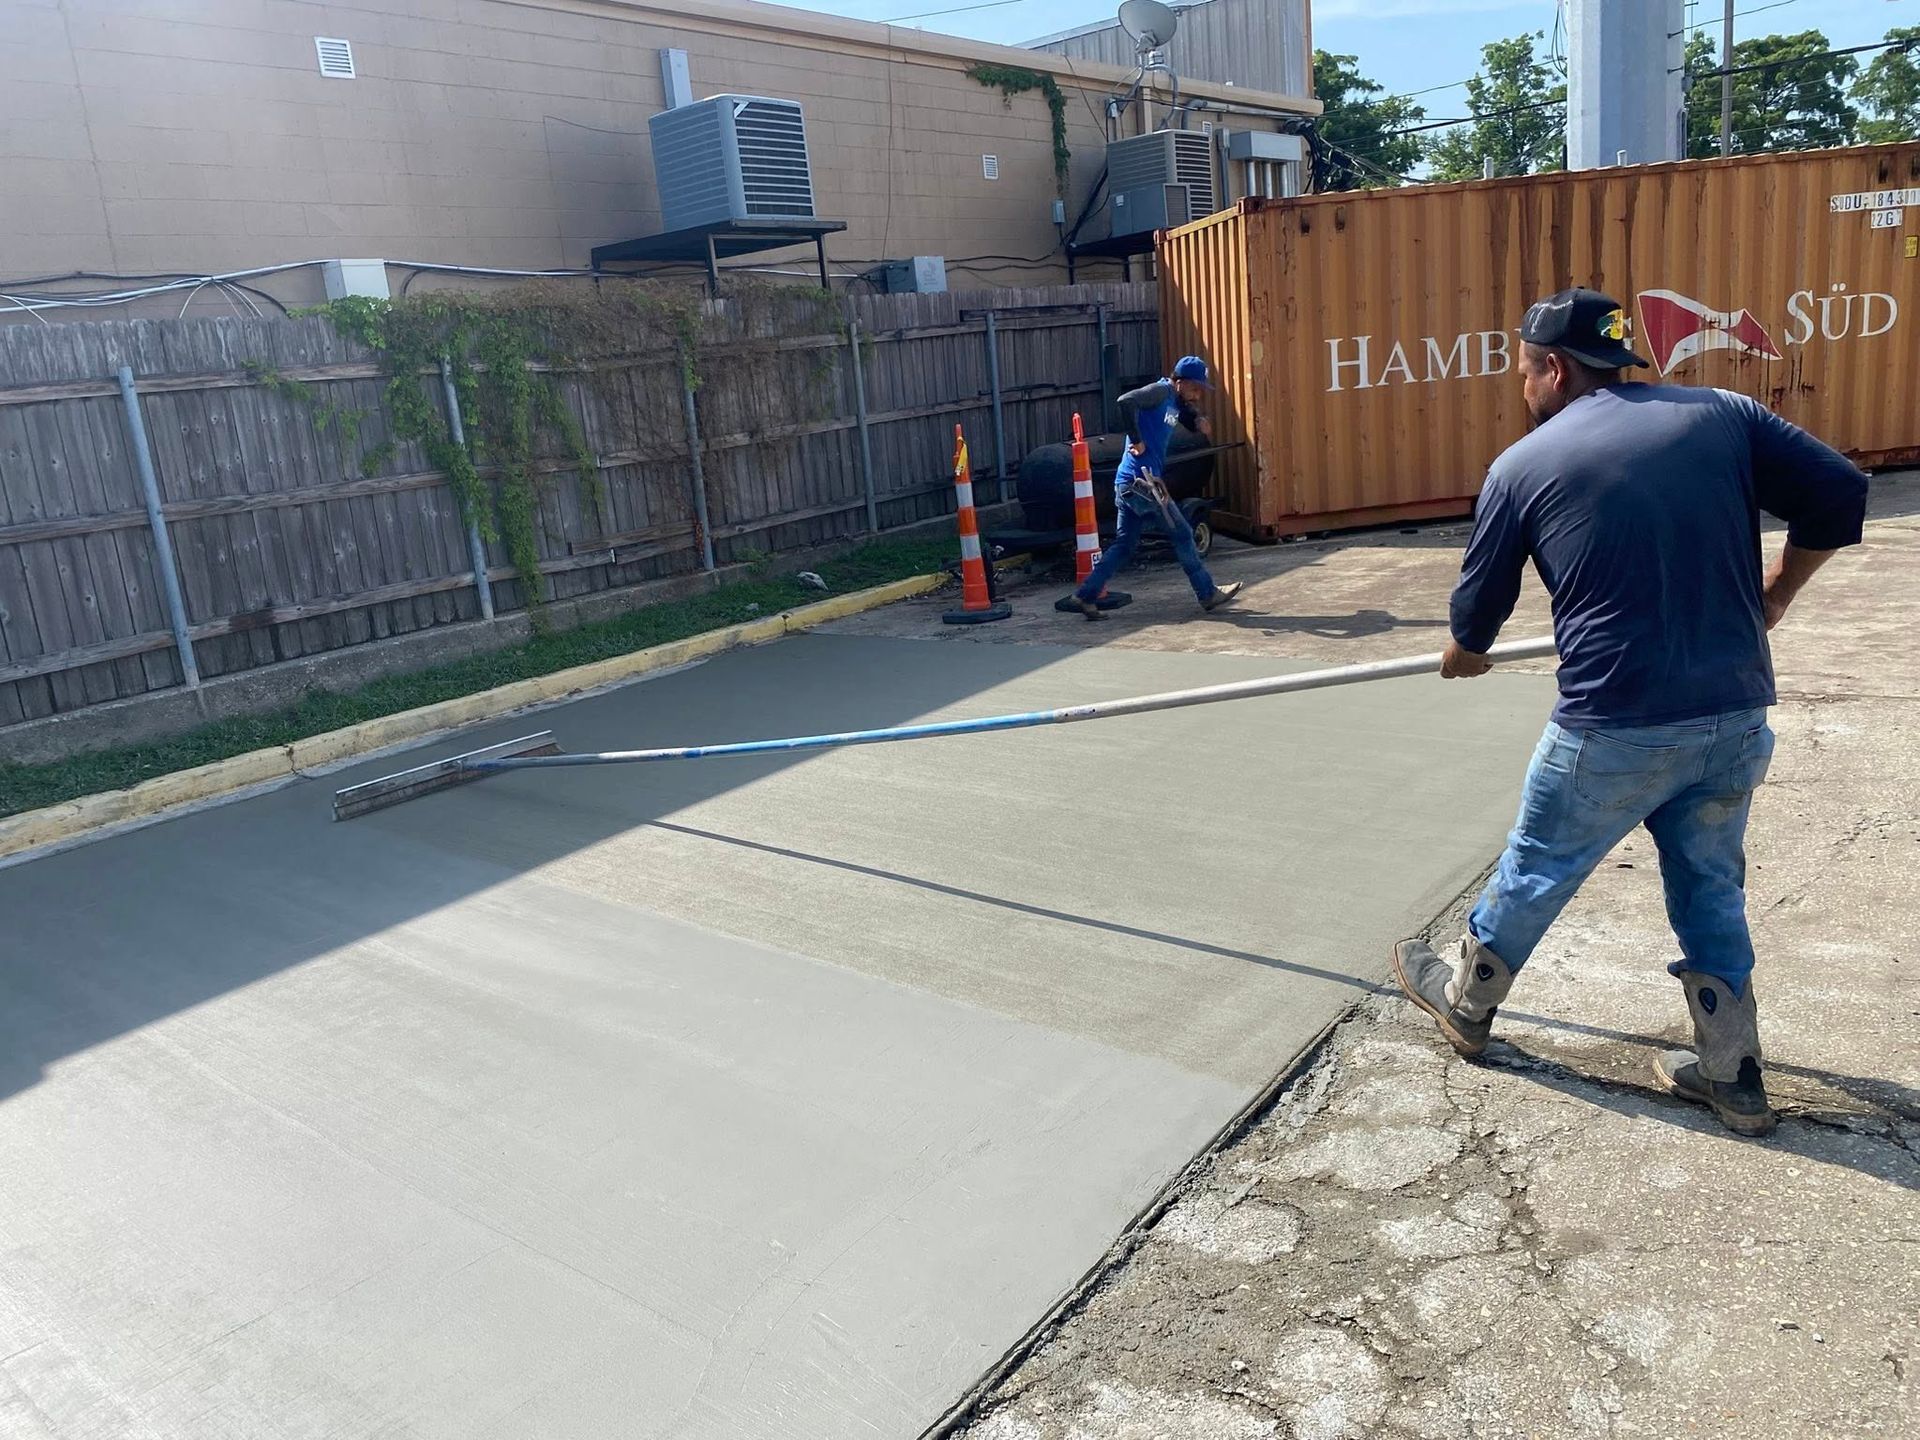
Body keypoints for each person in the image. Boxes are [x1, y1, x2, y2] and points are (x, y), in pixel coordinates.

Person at [1392, 287, 1868, 1138]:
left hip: (1612, 725)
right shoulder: (1723, 414)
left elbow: (1476, 615)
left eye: (1522, 368)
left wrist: (1464, 652)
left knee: (1539, 865)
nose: (1521, 383)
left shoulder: (1522, 466)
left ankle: (1466, 1003)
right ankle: (1733, 1073)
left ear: (1554, 368)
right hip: (1732, 715)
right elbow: (1838, 491)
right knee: (1711, 883)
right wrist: (1778, 593)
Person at [1065, 355, 1242, 619]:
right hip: (1142, 484)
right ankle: (1207, 594)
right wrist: (1136, 440)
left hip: (1128, 484)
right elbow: (1125, 401)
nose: (1197, 395)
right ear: (1179, 382)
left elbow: (1183, 414)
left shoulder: (1174, 401)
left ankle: (1084, 595)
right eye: (1195, 388)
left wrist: (1198, 421)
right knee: (1183, 534)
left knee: (1125, 545)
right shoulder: (1159, 392)